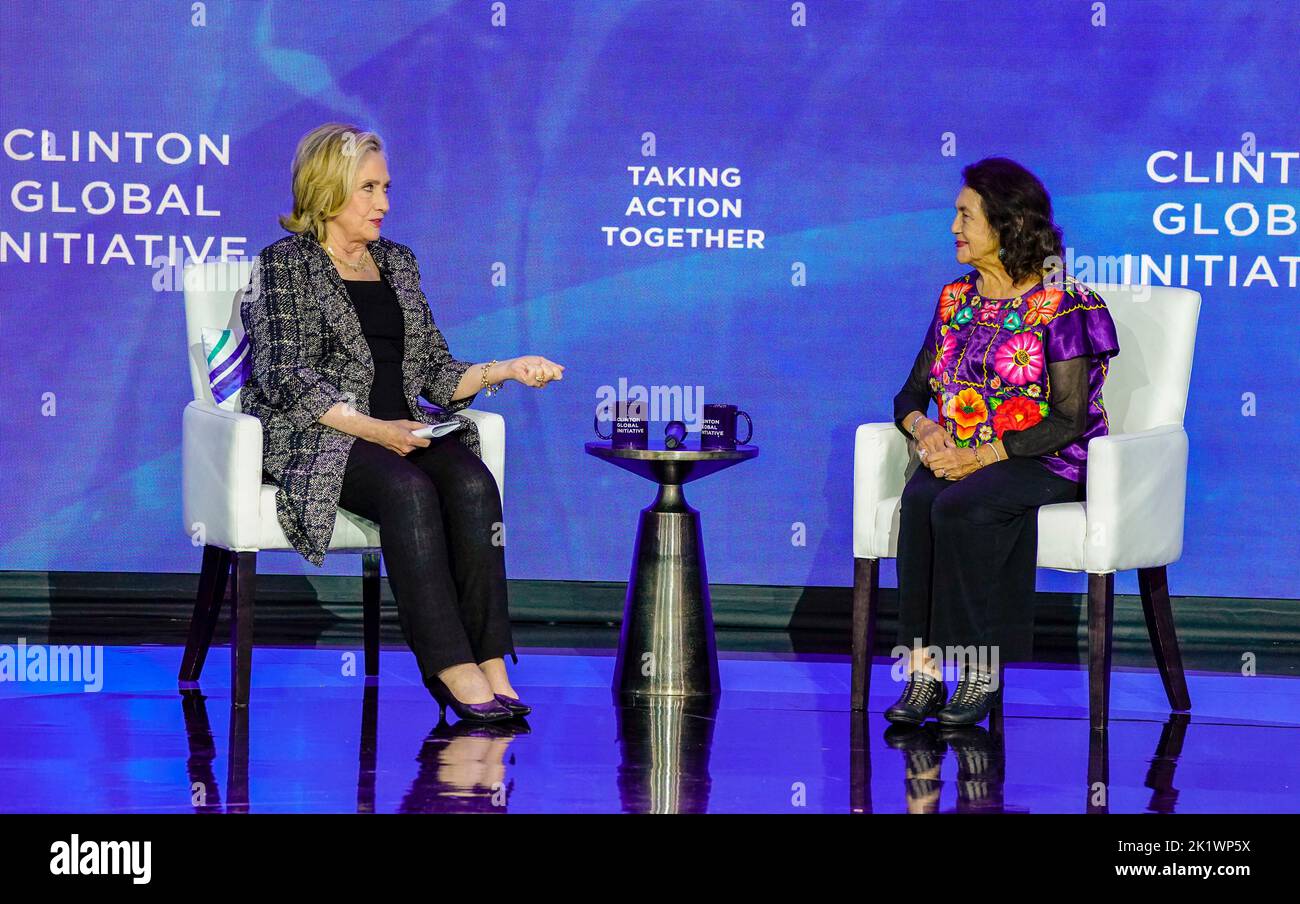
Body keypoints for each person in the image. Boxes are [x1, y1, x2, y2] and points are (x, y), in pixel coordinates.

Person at [241, 123, 564, 722]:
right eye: (368, 188)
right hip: (326, 437)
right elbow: (288, 375)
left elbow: (437, 373)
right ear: (327, 189)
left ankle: (490, 656)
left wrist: (508, 369)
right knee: (409, 490)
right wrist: (377, 431)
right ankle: (449, 664)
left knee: (473, 483)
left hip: (404, 428)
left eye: (386, 187)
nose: (384, 203)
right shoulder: (283, 266)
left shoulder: (398, 262)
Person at [885, 157, 1120, 727]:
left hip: (1047, 457)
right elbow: (909, 396)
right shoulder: (955, 299)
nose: (953, 228)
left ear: (1007, 224)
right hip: (960, 453)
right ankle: (922, 671)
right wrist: (927, 430)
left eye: (966, 215)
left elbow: (1068, 418)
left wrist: (982, 455)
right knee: (919, 501)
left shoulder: (1066, 304)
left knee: (966, 505)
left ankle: (980, 672)